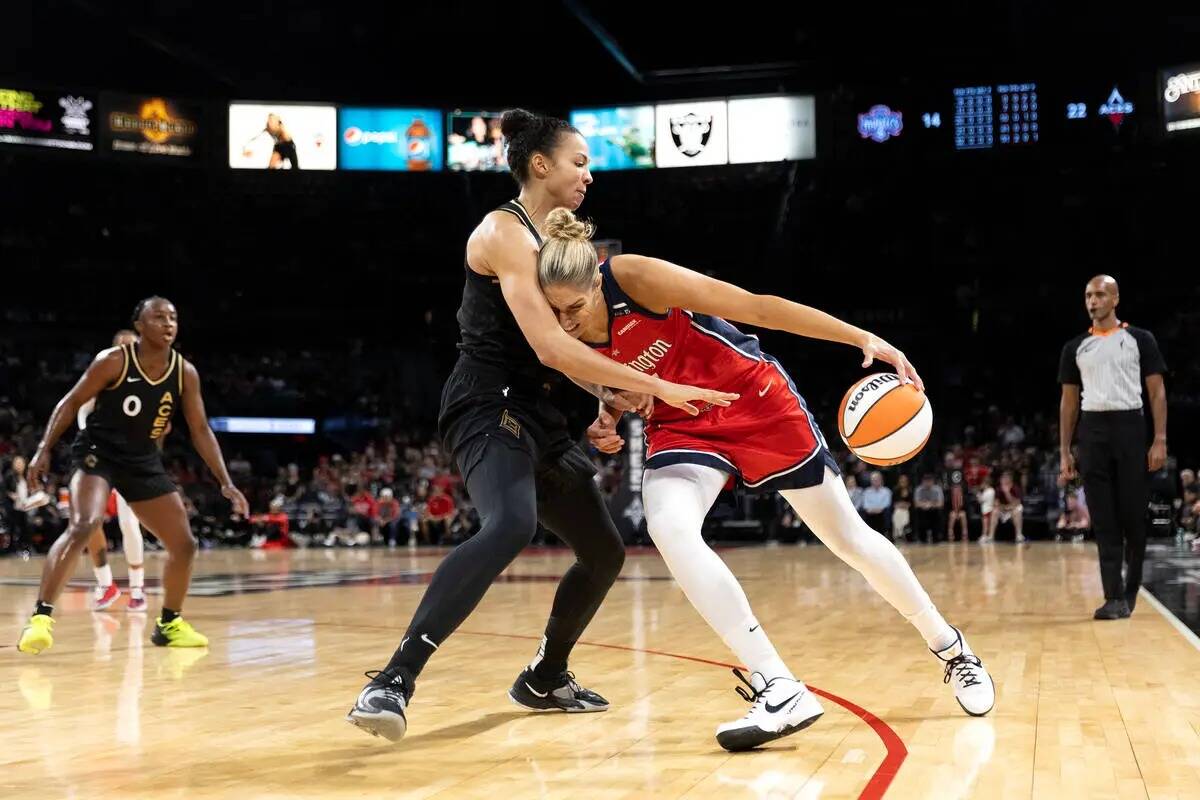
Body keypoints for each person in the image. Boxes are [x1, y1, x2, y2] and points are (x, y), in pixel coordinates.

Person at [539, 206, 994, 751]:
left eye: (575, 308)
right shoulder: (554, 333)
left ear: (597, 277)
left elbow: (757, 307)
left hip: (755, 401)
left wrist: (861, 338)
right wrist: (610, 414)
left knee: (848, 539)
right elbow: (617, 386)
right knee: (668, 525)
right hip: (683, 424)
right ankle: (777, 683)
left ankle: (951, 648)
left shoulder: (635, 278)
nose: (565, 323)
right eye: (554, 311)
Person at [346, 109, 737, 742]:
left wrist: (606, 402)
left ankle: (545, 676)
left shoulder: (562, 242)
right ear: (540, 165)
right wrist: (654, 385)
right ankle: (393, 679)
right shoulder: (503, 233)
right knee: (511, 523)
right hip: (487, 403)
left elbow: (566, 357)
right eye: (579, 161)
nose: (589, 173)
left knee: (605, 553)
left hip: (544, 417)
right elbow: (551, 347)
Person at [17, 297, 248, 654]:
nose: (168, 323)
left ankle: (169, 623)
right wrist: (44, 448)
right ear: (139, 325)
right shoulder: (113, 361)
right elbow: (71, 402)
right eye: (158, 317)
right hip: (98, 453)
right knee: (85, 524)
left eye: (173, 317)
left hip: (142, 461)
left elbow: (200, 429)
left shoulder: (184, 372)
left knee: (184, 544)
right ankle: (41, 619)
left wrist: (225, 481)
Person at [1059, 275, 1167, 619]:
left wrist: (1159, 438)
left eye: (1100, 294)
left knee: (1133, 517)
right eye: (1088, 295)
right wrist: (1065, 450)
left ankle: (1130, 591)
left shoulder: (1140, 339)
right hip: (1092, 431)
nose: (1093, 300)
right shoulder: (1075, 347)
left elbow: (1157, 392)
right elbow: (1068, 404)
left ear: (1115, 298)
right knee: (1103, 520)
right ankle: (1113, 597)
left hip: (1130, 427)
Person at [81, 329, 151, 612]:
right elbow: (82, 409)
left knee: (129, 523)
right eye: (121, 346)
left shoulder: (150, 380)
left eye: (132, 346)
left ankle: (137, 588)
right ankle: (106, 584)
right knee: (89, 521)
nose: (127, 350)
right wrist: (87, 436)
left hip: (132, 456)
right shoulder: (101, 373)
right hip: (100, 454)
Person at [913, 473, 945, 544]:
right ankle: (922, 539)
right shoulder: (918, 489)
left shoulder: (937, 489)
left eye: (929, 481)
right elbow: (916, 504)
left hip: (934, 510)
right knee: (919, 512)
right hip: (923, 510)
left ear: (933, 481)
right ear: (922, 482)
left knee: (938, 512)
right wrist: (925, 505)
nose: (927, 483)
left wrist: (931, 504)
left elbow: (941, 503)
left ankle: (936, 538)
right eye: (926, 481)